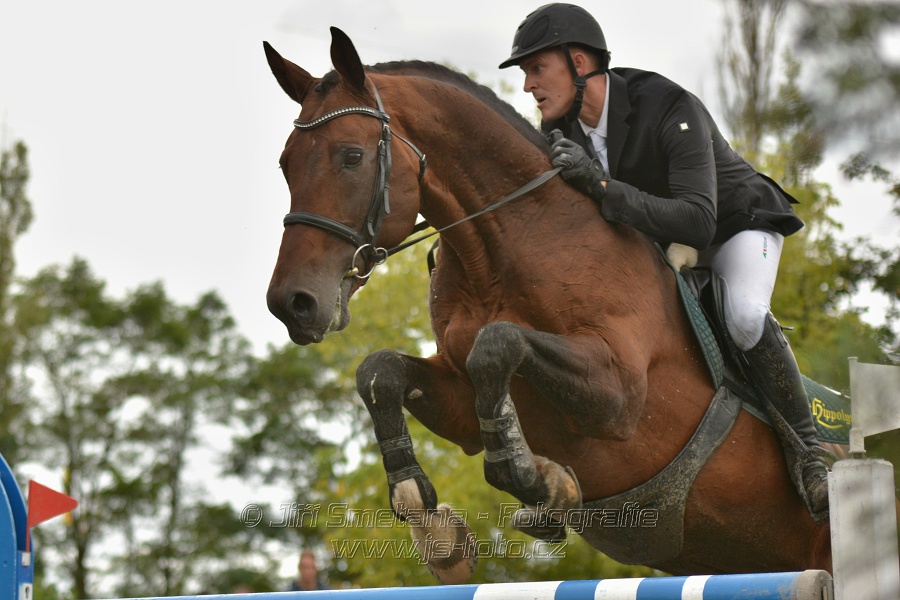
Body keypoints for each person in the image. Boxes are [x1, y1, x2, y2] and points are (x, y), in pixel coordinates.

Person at [498, 3, 831, 520]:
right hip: (662, 244)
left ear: (580, 62)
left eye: (536, 69)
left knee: (743, 315)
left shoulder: (668, 104)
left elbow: (699, 221)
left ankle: (810, 453)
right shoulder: (561, 132)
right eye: (525, 73)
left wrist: (603, 186)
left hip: (736, 227)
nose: (527, 86)